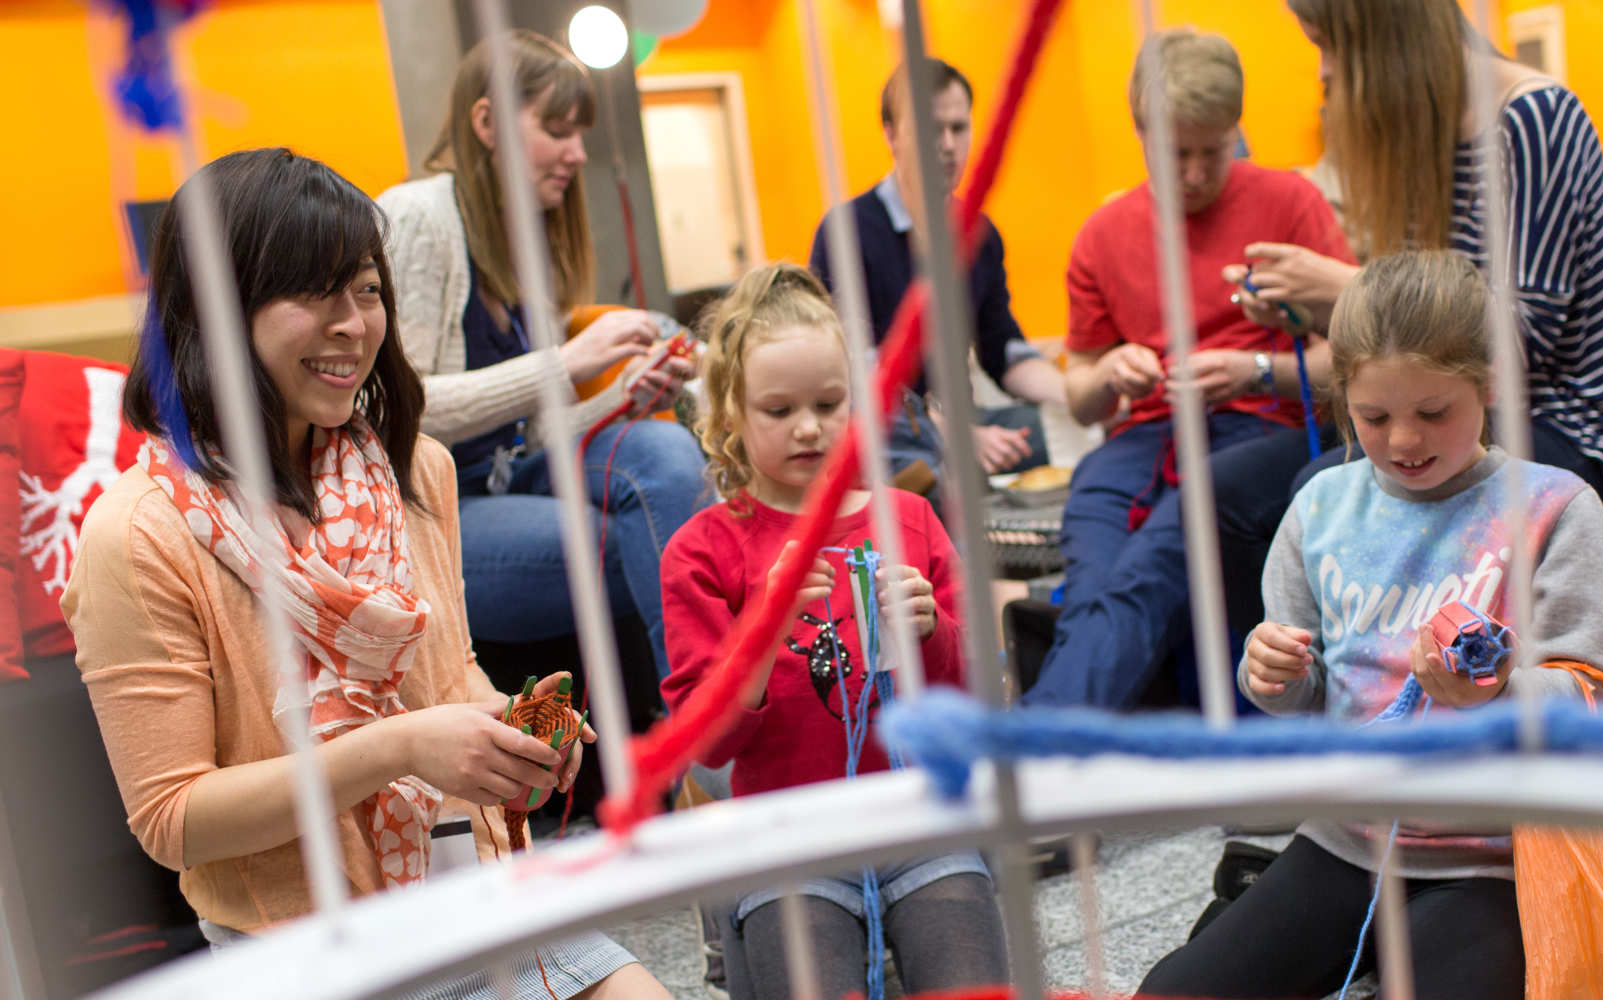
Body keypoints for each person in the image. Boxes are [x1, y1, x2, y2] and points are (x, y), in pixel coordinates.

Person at [62, 148, 666, 999]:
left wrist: (510, 731)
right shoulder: (138, 535)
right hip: (301, 948)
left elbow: (449, 672)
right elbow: (173, 821)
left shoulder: (416, 471)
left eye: (369, 290)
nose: (355, 324)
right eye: (315, 293)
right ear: (217, 312)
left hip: (475, 886)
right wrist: (400, 746)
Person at [1024, 0, 1603, 712]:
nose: (1322, 70)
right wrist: (1316, 305)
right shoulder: (1422, 140)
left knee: (1322, 485)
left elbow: (1514, 342)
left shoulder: (1530, 121)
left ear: (1384, 37)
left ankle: (1352, 721)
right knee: (1264, 497)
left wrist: (1336, 290)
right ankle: (1282, 715)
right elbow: (1398, 343)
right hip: (1432, 407)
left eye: (1329, 46)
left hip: (1546, 421)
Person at [1139, 250, 1603, 1000]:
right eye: (1373, 417)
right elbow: (1301, 694)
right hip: (1345, 841)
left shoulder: (1556, 509)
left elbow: (1594, 706)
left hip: (1495, 862)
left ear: (1489, 385)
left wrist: (1494, 696)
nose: (1401, 441)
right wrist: (1270, 673)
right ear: (1342, 402)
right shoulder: (1320, 507)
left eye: (1433, 413)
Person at [657, 263, 1008, 1000]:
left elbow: (977, 696)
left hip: (920, 827)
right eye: (778, 410)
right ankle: (731, 930)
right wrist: (762, 633)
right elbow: (707, 742)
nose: (810, 426)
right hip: (788, 843)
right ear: (726, 419)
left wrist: (933, 631)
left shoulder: (909, 518)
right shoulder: (700, 550)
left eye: (829, 403)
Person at [1028, 27, 1354, 707]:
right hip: (1140, 439)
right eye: (1178, 155)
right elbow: (1082, 395)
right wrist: (1111, 370)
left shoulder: (1290, 204)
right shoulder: (1102, 234)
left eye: (1215, 151)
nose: (1200, 175)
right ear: (1140, 133)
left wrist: (1255, 371)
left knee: (1150, 567)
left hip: (1257, 428)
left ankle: (1038, 749)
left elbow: (1353, 358)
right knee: (1095, 576)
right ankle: (1080, 756)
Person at [378, 30, 706, 679]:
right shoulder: (415, 218)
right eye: (558, 129)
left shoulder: (531, 243)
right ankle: (707, 724)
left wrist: (626, 396)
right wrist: (566, 363)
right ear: (486, 121)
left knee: (669, 455)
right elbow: (398, 411)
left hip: (517, 477)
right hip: (438, 508)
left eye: (580, 133)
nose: (578, 153)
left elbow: (532, 437)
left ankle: (705, 717)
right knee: (633, 543)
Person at [810, 58, 1065, 483]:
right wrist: (957, 436)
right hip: (885, 434)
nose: (948, 145)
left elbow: (1003, 350)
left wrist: (1079, 392)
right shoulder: (847, 231)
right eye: (932, 129)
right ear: (891, 134)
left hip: (959, 420)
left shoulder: (979, 232)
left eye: (959, 128)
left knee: (1046, 432)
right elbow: (855, 378)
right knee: (918, 459)